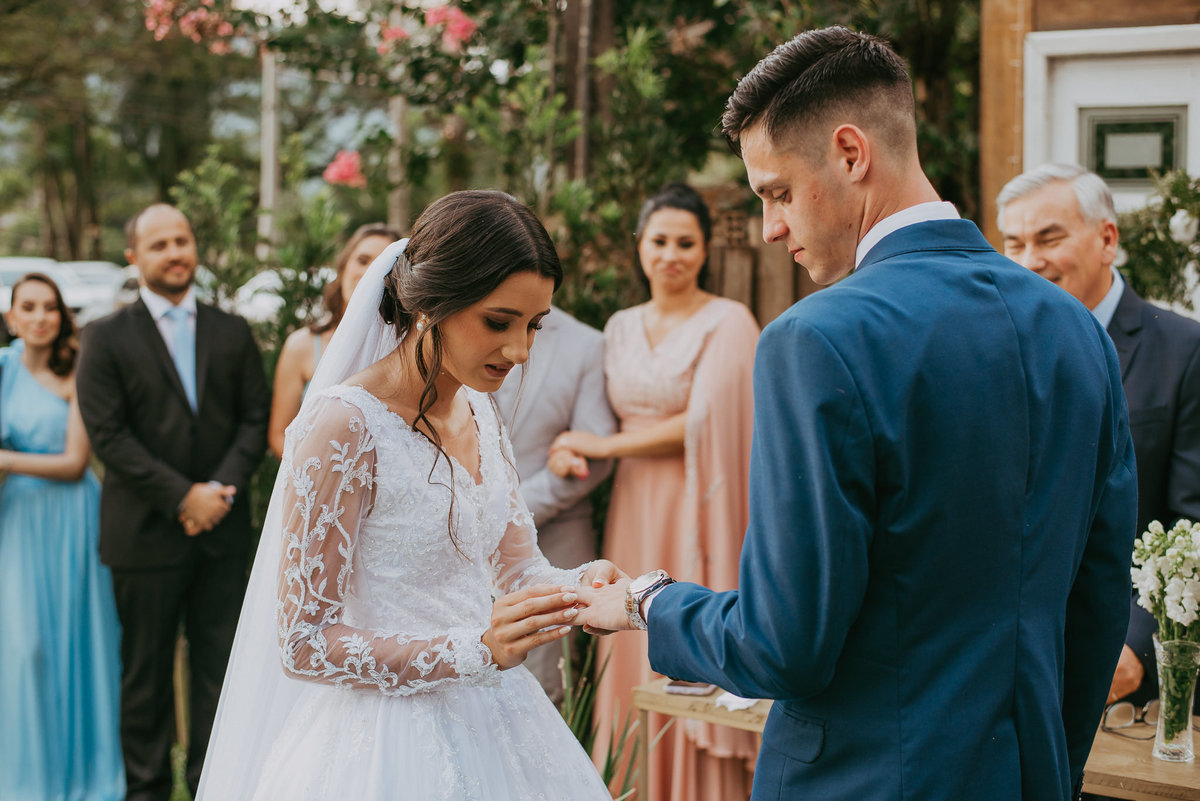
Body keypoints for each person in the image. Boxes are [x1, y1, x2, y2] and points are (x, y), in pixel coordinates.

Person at [576, 27, 1137, 801]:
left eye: (776, 192)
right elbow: (1099, 604)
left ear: (850, 153)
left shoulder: (816, 340)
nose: (773, 227)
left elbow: (786, 644)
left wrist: (648, 600)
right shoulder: (1079, 332)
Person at [196, 190, 617, 800]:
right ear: (431, 304)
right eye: (499, 322)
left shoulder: (482, 408)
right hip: (380, 748)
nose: (520, 350)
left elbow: (518, 566)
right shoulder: (343, 428)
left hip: (498, 722)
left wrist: (580, 590)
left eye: (534, 325)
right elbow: (305, 643)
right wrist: (473, 650)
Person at [552, 182, 760, 800]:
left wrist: (601, 447)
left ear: (704, 251)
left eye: (686, 243)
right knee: (625, 626)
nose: (672, 254)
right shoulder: (617, 327)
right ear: (640, 246)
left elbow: (707, 420)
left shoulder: (730, 320)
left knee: (679, 611)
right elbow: (598, 419)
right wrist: (573, 446)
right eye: (661, 241)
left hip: (697, 500)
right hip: (632, 506)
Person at [76, 204, 270, 801]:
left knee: (219, 674)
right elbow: (109, 436)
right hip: (143, 534)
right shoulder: (103, 338)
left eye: (182, 240)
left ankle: (216, 787)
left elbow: (253, 420)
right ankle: (148, 792)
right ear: (134, 257)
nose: (175, 252)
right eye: (158, 244)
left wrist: (217, 493)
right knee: (146, 678)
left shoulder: (232, 331)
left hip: (223, 533)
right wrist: (182, 496)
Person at [997, 163, 1200, 710]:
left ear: (1107, 240)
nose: (1028, 261)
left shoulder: (1184, 352)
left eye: (1049, 238)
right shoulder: (993, 353)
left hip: (1130, 679)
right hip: (1006, 666)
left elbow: (1192, 526)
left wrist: (1133, 646)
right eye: (1013, 243)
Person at [0, 273, 124, 801]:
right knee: (23, 649)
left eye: (49, 307)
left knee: (76, 643)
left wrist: (4, 459)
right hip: (17, 523)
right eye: (28, 307)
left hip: (71, 519)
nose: (40, 317)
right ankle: (26, 780)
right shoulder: (2, 370)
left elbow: (75, 463)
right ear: (11, 317)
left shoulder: (77, 368)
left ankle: (86, 776)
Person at [491, 304, 618, 704]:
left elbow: (594, 455)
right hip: (443, 548)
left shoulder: (586, 343)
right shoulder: (449, 324)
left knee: (541, 695)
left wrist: (503, 513)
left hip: (550, 544)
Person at [267, 222, 401, 459]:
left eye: (383, 265)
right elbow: (279, 434)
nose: (370, 273)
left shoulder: (406, 348)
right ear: (343, 267)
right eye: (362, 260)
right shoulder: (302, 345)